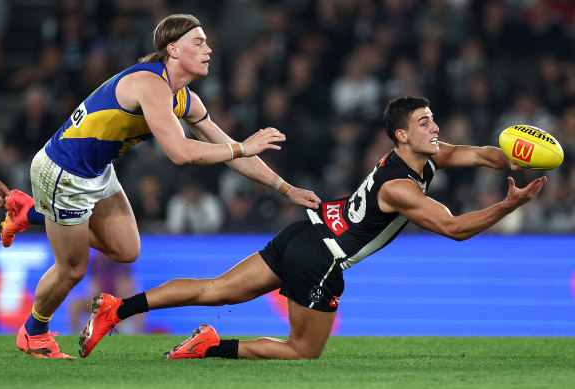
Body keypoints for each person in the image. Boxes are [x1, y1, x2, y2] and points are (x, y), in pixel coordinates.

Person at [78, 96, 547, 360]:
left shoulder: (424, 154)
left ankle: (118, 309)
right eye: (426, 122)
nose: (436, 128)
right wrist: (510, 205)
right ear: (402, 135)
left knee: (214, 289)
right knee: (304, 352)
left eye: (434, 119)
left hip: (304, 232)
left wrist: (519, 153)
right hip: (321, 259)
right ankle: (210, 347)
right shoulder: (402, 187)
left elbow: (482, 154)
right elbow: (455, 229)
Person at [11, 14, 320, 360]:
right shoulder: (149, 83)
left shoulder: (183, 98)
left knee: (127, 250)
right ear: (172, 49)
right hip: (63, 172)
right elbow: (181, 153)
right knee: (72, 268)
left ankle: (33, 213)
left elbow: (232, 152)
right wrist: (243, 146)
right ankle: (33, 333)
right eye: (198, 42)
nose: (209, 49)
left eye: (207, 43)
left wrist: (285, 189)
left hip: (96, 170)